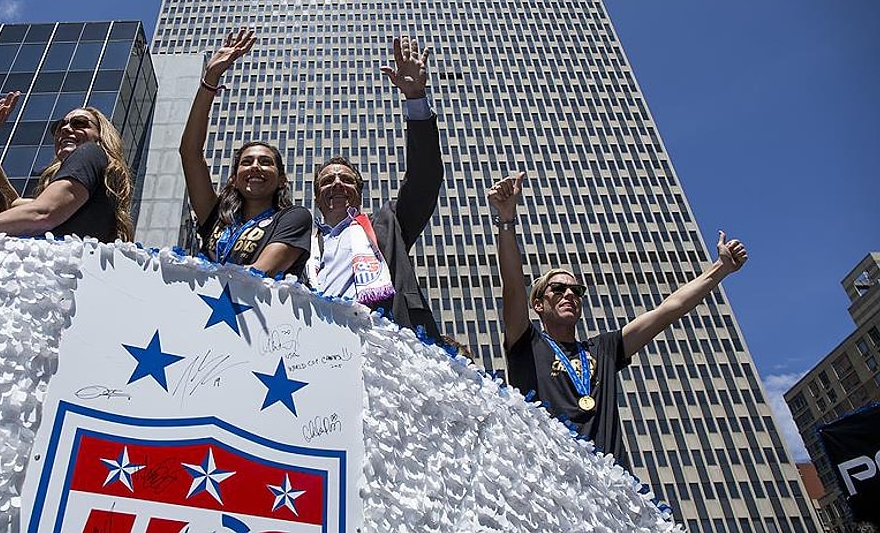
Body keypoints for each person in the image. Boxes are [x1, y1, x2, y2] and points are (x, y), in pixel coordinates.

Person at [488, 172, 748, 466]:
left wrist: (720, 268)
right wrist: (506, 220)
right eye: (558, 289)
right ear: (538, 304)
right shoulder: (525, 341)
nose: (569, 294)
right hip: (544, 478)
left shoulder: (604, 348)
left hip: (609, 483)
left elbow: (669, 309)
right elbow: (513, 285)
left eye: (576, 290)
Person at [306, 36, 443, 338]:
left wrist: (415, 97)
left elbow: (424, 178)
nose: (337, 184)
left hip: (385, 342)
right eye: (327, 181)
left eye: (346, 179)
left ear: (359, 192)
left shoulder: (389, 224)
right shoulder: (301, 240)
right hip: (315, 344)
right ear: (317, 197)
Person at [180, 28, 311, 277]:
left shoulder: (294, 218)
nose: (255, 167)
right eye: (247, 162)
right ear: (233, 178)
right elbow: (190, 152)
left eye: (266, 162)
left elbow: (259, 274)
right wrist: (211, 78)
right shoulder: (215, 215)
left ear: (282, 180)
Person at [0, 92, 134, 241]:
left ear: (100, 135)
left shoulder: (90, 152)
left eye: (79, 123)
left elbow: (42, 214)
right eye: (60, 126)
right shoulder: (90, 190)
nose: (66, 129)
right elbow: (9, 202)